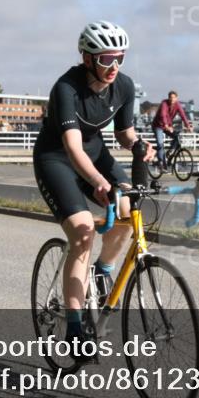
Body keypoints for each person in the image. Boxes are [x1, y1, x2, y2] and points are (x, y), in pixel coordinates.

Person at [33, 21, 155, 356]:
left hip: (96, 153)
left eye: (120, 58)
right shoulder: (66, 89)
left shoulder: (124, 86)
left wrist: (139, 145)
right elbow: (72, 148)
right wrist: (99, 182)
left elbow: (124, 133)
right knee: (84, 231)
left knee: (129, 206)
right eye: (106, 60)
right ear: (87, 59)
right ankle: (74, 325)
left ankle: (102, 270)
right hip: (57, 158)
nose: (114, 67)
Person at [151, 90, 193, 169]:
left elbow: (183, 115)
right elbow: (163, 115)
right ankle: (160, 163)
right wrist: (166, 125)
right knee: (160, 144)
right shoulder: (164, 103)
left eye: (174, 98)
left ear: (177, 98)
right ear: (168, 98)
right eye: (170, 97)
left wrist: (188, 126)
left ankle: (170, 151)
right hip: (158, 126)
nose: (172, 99)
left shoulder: (177, 105)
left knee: (177, 136)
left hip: (168, 126)